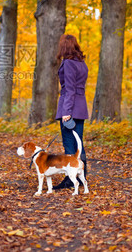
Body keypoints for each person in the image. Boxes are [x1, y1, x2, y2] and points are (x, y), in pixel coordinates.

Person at [53, 34, 88, 190]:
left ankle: (70, 180)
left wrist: (66, 111)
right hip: (80, 107)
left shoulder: (67, 63)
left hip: (69, 107)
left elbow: (70, 89)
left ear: (64, 46)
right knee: (78, 143)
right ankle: (81, 177)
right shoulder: (81, 63)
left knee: (69, 145)